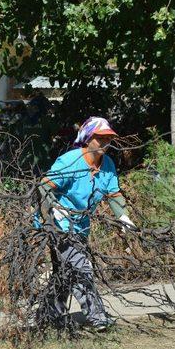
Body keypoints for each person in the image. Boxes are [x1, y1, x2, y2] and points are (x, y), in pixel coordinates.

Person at [36, 116, 137, 331]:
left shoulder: (107, 165)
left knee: (65, 272)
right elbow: (44, 187)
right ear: (88, 138)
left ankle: (48, 314)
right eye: (99, 138)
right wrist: (54, 209)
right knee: (81, 269)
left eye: (108, 138)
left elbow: (114, 194)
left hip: (80, 227)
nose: (104, 143)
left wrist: (124, 217)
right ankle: (97, 318)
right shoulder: (70, 161)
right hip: (58, 225)